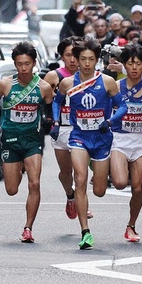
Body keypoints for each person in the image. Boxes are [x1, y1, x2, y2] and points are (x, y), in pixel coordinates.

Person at [0, 41, 55, 244]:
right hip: (10, 140)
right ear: (14, 64)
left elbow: (50, 110)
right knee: (12, 189)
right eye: (19, 64)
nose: (23, 68)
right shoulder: (6, 84)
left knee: (35, 183)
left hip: (32, 141)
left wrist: (52, 123)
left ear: (34, 63)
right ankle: (19, 168)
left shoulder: (43, 87)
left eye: (27, 64)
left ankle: (28, 227)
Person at [58, 38, 119, 249]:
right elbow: (57, 101)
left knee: (100, 190)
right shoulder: (67, 83)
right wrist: (56, 121)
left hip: (101, 139)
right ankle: (85, 232)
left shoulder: (108, 82)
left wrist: (110, 121)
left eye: (90, 59)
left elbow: (123, 107)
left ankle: (98, 178)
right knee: (80, 179)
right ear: (76, 59)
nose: (86, 63)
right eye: (82, 59)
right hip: (79, 137)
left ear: (96, 60)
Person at [107, 44, 142, 243]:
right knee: (119, 183)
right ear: (124, 65)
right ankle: (108, 166)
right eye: (130, 63)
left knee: (138, 189)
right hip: (120, 139)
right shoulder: (116, 86)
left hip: (141, 140)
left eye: (138, 64)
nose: (134, 68)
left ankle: (131, 225)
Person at [44, 38, 87, 221]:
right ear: (62, 56)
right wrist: (50, 120)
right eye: (68, 55)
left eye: (75, 55)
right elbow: (44, 100)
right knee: (65, 172)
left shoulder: (88, 75)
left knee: (81, 172)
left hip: (82, 129)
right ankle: (70, 196)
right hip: (61, 129)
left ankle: (82, 203)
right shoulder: (54, 76)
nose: (72, 60)